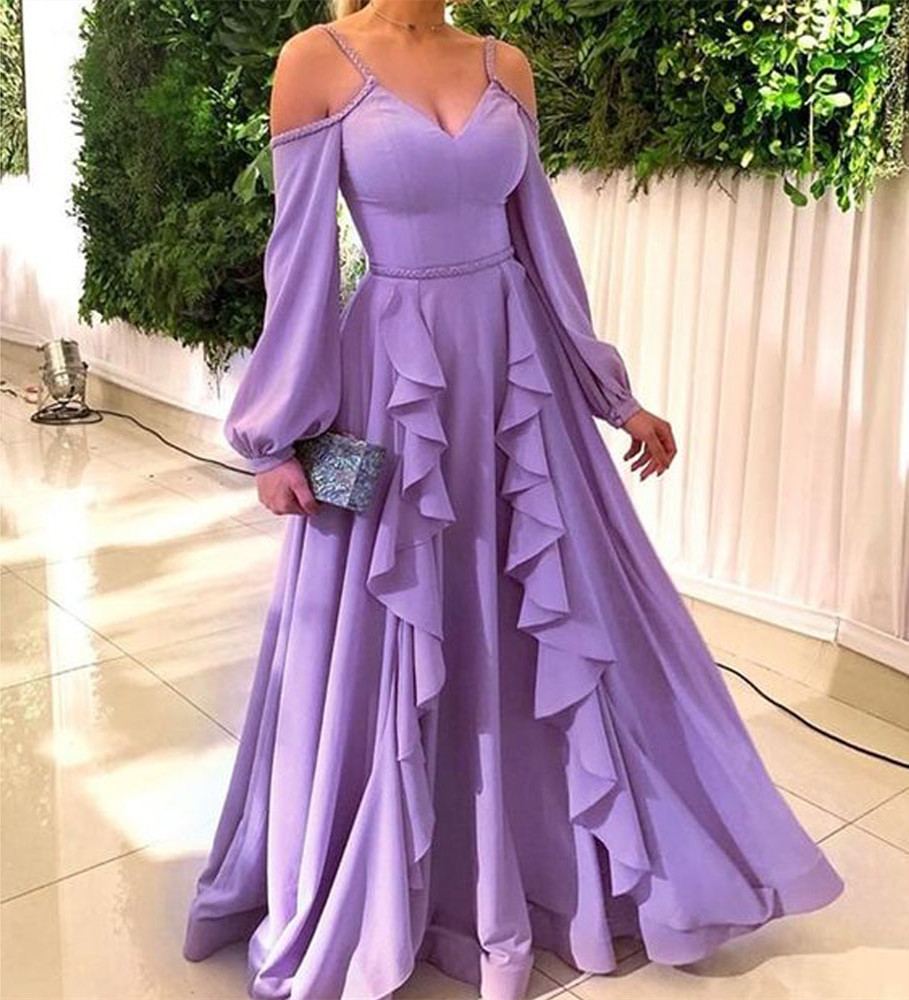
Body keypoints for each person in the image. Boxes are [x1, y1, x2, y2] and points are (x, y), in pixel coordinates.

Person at [182, 3, 845, 999]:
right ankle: (395, 880)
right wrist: (276, 436)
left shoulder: (506, 65)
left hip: (516, 380)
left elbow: (542, 245)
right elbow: (299, 262)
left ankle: (556, 872)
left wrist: (612, 395)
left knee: (553, 622)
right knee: (399, 627)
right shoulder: (314, 62)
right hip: (394, 382)